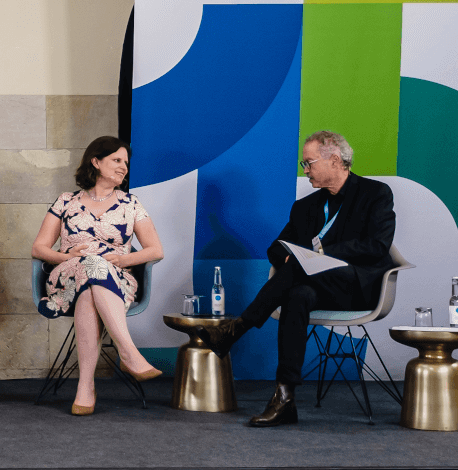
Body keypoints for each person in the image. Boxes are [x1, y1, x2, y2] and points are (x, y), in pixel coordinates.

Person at [204, 130, 396, 427]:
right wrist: (291, 259)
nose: (305, 170)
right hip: (316, 288)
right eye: (304, 164)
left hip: (357, 287)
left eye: (309, 163)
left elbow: (377, 246)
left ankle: (237, 328)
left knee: (299, 267)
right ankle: (284, 398)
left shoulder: (376, 194)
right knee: (297, 295)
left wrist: (322, 253)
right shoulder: (306, 206)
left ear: (335, 160)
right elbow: (276, 247)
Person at [30, 135, 164, 415]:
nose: (123, 167)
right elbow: (39, 248)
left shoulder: (131, 204)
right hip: (68, 276)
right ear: (96, 162)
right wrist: (68, 257)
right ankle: (127, 352)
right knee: (91, 264)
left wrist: (124, 259)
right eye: (116, 160)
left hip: (116, 280)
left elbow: (155, 250)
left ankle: (85, 388)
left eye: (126, 162)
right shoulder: (66, 201)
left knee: (91, 291)